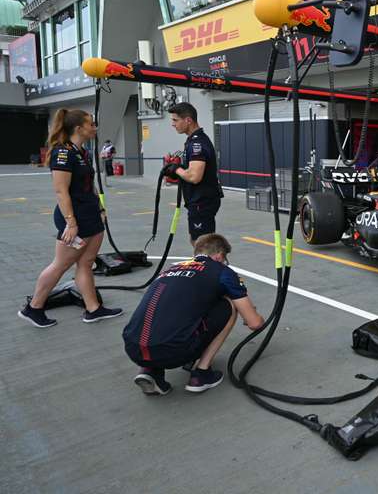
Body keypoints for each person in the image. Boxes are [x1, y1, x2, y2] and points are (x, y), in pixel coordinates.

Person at [122, 234, 265, 395]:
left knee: (165, 310)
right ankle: (201, 374)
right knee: (230, 305)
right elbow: (255, 323)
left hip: (133, 347)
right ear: (219, 256)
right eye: (225, 259)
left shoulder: (171, 268)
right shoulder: (222, 271)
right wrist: (254, 315)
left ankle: (150, 370)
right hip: (174, 351)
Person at [19, 109, 122, 328]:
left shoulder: (81, 152)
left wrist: (100, 209)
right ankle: (34, 308)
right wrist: (71, 223)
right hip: (75, 218)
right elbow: (61, 191)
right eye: (91, 124)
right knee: (60, 265)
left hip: (90, 214)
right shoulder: (62, 153)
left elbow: (89, 185)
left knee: (85, 263)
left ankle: (93, 309)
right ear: (79, 128)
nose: (94, 127)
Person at [163, 103, 224, 244]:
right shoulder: (192, 140)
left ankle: (211, 264)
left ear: (188, 120)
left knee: (202, 243)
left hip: (202, 201)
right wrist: (178, 170)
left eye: (175, 120)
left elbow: (194, 177)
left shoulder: (197, 143)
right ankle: (210, 263)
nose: (173, 124)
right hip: (199, 200)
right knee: (199, 241)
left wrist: (176, 169)